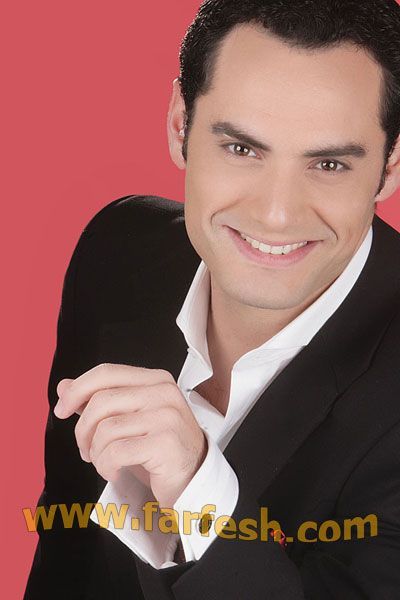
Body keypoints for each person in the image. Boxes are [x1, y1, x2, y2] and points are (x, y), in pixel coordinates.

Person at [24, 0, 400, 598]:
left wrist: (197, 490)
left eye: (329, 164)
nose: (276, 215)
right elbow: (66, 547)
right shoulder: (117, 251)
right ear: (181, 125)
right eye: (242, 149)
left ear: (389, 166)